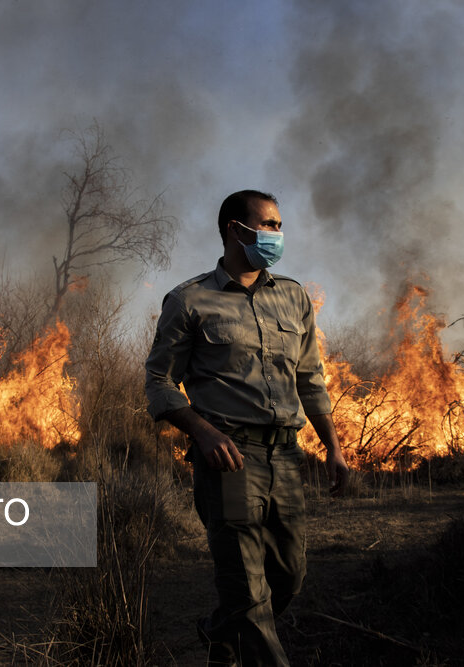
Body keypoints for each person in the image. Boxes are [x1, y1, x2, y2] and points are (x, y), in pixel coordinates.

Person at [145, 190, 349, 666]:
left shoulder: (295, 297)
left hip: (286, 455)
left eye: (279, 226)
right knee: (248, 588)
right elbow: (158, 381)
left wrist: (333, 448)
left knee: (291, 575)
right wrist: (201, 431)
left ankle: (221, 632)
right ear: (236, 230)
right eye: (270, 225)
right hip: (229, 458)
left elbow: (310, 378)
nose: (278, 235)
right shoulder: (190, 300)